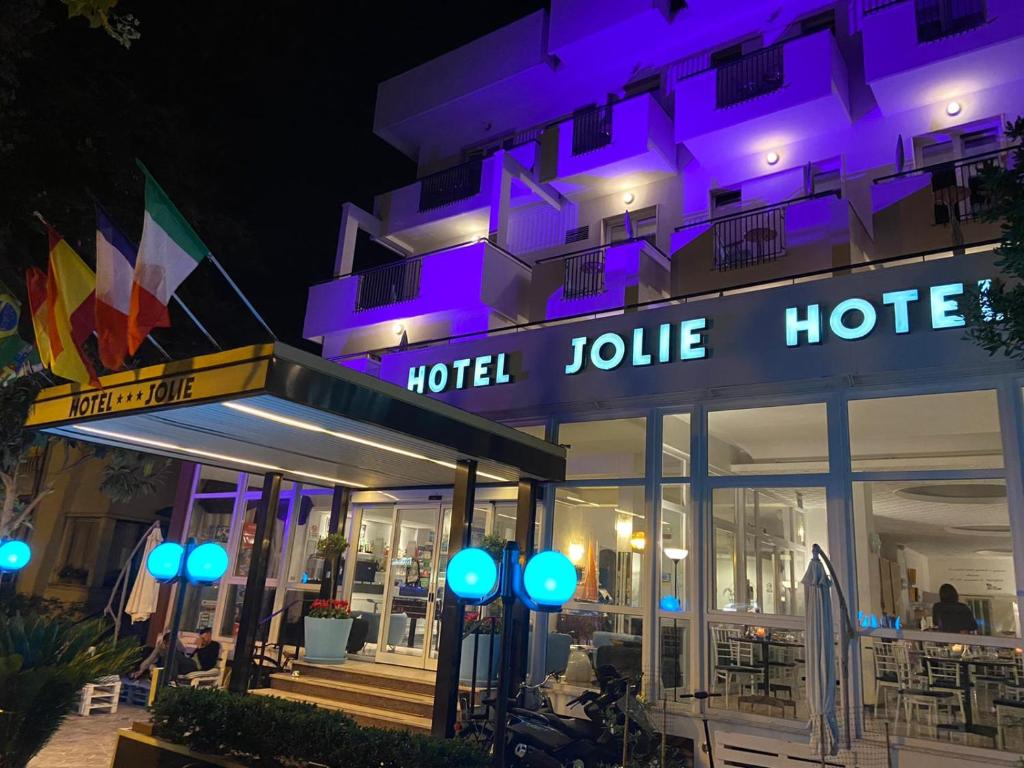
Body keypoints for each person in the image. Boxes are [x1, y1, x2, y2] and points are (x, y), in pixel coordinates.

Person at [129, 631, 197, 680]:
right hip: (172, 665)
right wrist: (141, 670)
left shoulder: (174, 650)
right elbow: (150, 659)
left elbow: (173, 673)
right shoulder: (162, 648)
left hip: (187, 667)